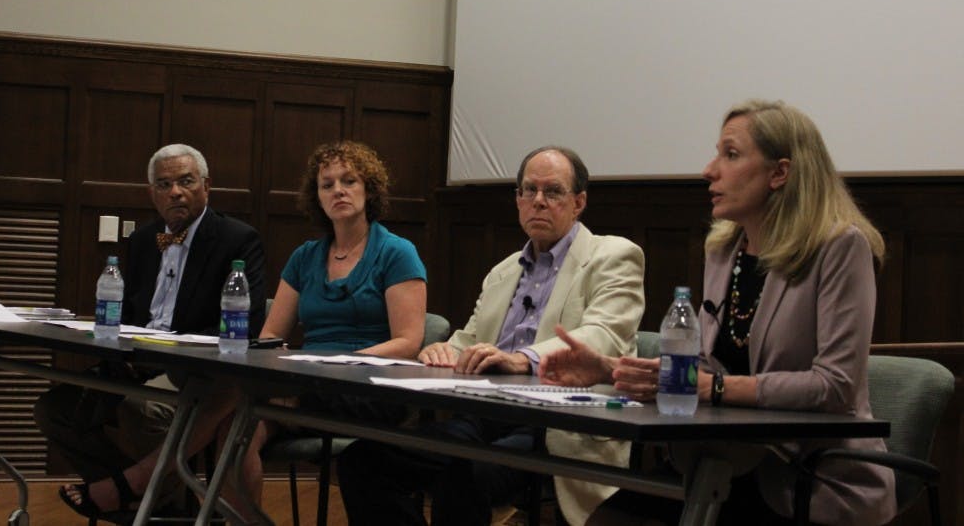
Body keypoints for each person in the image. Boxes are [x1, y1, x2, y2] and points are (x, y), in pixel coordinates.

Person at [540, 100, 896, 525]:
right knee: (610, 517)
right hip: (723, 463)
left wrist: (713, 389)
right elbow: (704, 367)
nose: (710, 170)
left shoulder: (839, 247)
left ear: (779, 173)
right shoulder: (725, 249)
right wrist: (608, 369)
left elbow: (835, 386)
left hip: (807, 477)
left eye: (730, 154)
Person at [337, 146, 645, 526]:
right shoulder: (503, 272)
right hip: (486, 414)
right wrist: (440, 350)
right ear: (517, 200)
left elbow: (603, 337)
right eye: (528, 191)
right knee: (361, 461)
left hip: (557, 424)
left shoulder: (613, 256)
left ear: (578, 202)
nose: (538, 201)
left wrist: (523, 359)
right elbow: (467, 340)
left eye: (553, 192)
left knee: (462, 475)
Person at [36, 143, 267, 521]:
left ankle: (150, 498)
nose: (175, 192)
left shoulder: (236, 239)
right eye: (164, 184)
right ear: (152, 194)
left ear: (206, 186)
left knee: (140, 410)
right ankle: (145, 503)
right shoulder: (144, 240)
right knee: (54, 410)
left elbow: (247, 325)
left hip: (195, 371)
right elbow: (127, 314)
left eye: (186, 181)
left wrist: (169, 350)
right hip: (136, 364)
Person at [217, 140, 428, 520]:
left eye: (349, 180)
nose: (338, 191)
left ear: (370, 188)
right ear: (316, 196)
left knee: (234, 400)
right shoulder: (305, 257)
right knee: (234, 430)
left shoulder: (397, 253)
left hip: (370, 384)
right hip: (309, 383)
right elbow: (270, 338)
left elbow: (409, 343)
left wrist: (343, 362)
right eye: (327, 184)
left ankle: (145, 478)